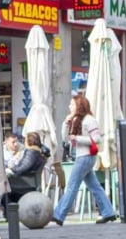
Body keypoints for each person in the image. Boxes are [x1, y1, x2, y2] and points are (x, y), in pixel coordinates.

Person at [50, 93, 118, 225]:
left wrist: (77, 139)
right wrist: (66, 122)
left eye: (72, 104)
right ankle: (108, 212)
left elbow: (97, 139)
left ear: (79, 105)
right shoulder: (76, 120)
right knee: (94, 186)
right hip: (82, 157)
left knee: (72, 186)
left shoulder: (89, 120)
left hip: (85, 156)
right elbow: (65, 138)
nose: (69, 106)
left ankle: (59, 214)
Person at [5, 132, 46, 203]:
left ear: (29, 142)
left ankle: (4, 211)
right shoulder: (37, 152)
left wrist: (9, 170)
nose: (24, 142)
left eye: (25, 140)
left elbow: (23, 167)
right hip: (30, 183)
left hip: (24, 184)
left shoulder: (31, 152)